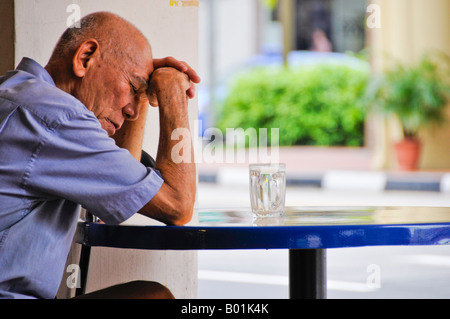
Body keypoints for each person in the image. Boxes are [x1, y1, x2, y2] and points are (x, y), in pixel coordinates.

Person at [0, 11, 199, 299]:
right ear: (85, 57)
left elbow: (123, 180)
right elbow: (178, 206)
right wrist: (172, 92)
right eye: (131, 88)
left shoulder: (19, 93)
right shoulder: (58, 117)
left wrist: (142, 91)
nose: (131, 110)